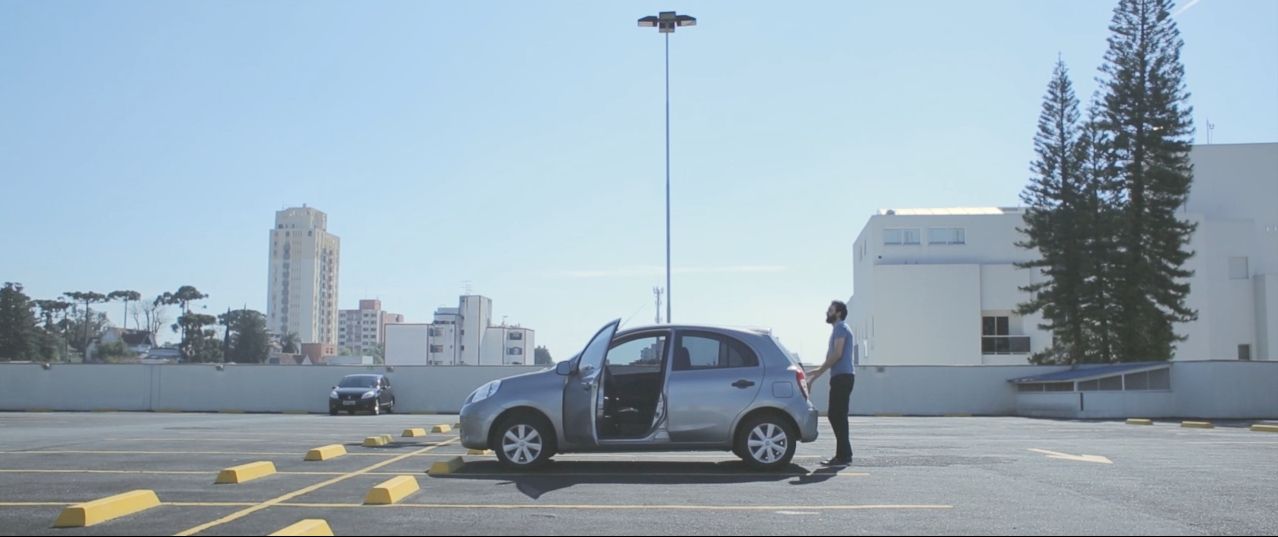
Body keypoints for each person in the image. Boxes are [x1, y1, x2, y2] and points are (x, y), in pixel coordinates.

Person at [807, 300, 856, 466]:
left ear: (839, 313)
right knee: (837, 416)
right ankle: (843, 455)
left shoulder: (841, 327)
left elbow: (837, 354)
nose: (827, 312)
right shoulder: (838, 329)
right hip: (840, 377)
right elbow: (832, 357)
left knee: (837, 416)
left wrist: (817, 373)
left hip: (843, 377)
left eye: (830, 310)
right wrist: (816, 373)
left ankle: (844, 456)